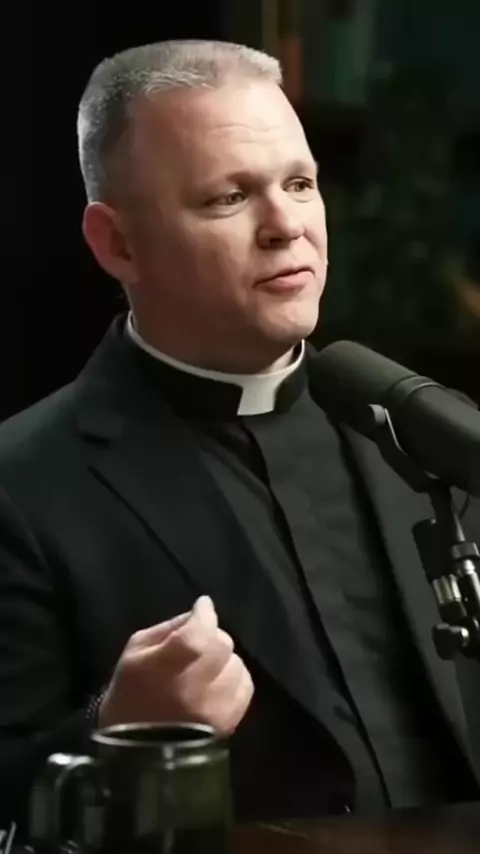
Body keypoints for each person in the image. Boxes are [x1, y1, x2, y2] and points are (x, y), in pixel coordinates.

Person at [0, 39, 479, 837]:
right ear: (118, 243)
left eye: (300, 184)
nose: (287, 226)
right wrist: (117, 731)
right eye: (229, 197)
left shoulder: (423, 434)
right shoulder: (23, 487)